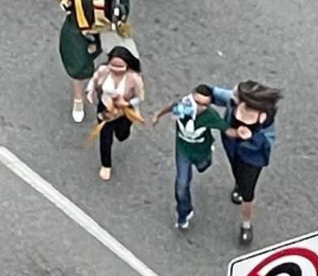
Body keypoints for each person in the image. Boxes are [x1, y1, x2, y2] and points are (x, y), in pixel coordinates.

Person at [44, 0, 131, 123]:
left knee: (118, 59)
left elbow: (123, 0)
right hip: (78, 31)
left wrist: (120, 13)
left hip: (103, 31)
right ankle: (78, 99)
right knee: (78, 68)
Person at [153, 84, 250, 230]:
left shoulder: (210, 116)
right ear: (191, 96)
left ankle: (207, 158)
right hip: (183, 151)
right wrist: (157, 115)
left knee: (203, 166)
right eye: (197, 102)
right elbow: (170, 107)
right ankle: (183, 213)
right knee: (181, 184)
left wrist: (239, 133)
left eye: (205, 104)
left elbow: (226, 129)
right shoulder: (183, 106)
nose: (199, 107)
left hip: (201, 151)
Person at [212, 81, 282, 245]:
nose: (232, 94)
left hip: (253, 156)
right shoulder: (234, 102)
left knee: (248, 191)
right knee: (237, 172)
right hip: (233, 147)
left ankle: (246, 224)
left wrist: (250, 136)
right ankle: (238, 184)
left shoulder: (265, 118)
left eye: (236, 93)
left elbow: (267, 141)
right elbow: (215, 94)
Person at [86, 45, 145, 181]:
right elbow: (93, 82)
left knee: (122, 135)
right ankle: (106, 165)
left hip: (124, 112)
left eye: (121, 67)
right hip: (106, 109)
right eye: (113, 65)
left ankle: (125, 131)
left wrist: (127, 103)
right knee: (105, 138)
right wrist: (90, 93)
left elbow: (139, 97)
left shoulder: (134, 78)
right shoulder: (103, 71)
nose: (116, 70)